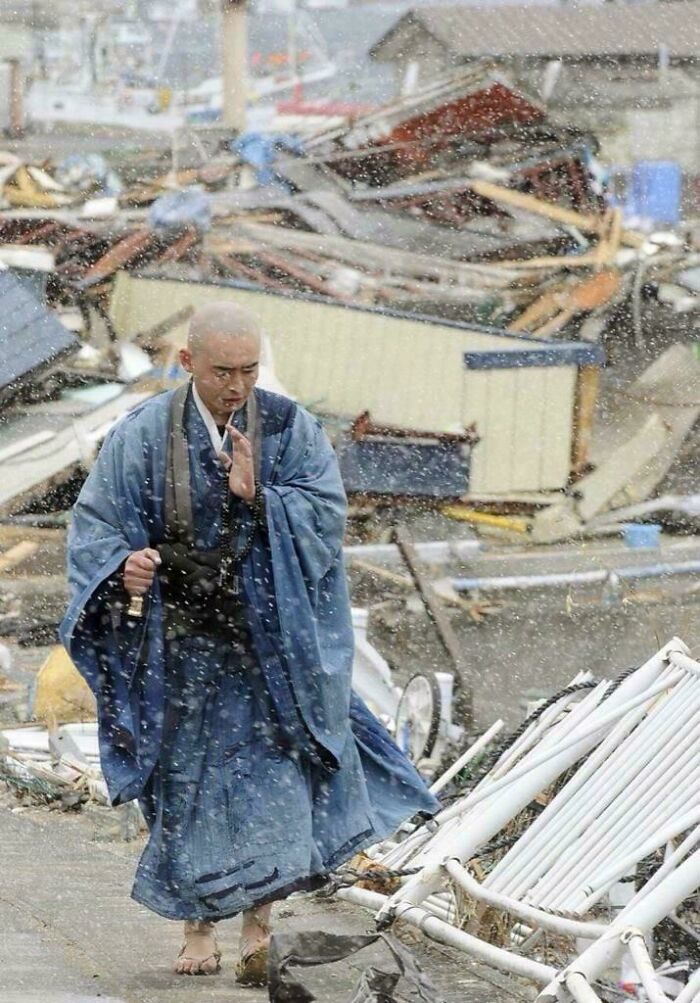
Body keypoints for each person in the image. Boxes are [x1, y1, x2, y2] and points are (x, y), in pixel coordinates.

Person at [60, 302, 439, 984]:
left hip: (270, 639)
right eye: (221, 372)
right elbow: (97, 525)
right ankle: (198, 922)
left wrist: (261, 493)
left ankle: (259, 923)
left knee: (276, 783)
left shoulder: (290, 429)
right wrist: (126, 563)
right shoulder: (144, 433)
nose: (236, 386)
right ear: (187, 363)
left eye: (249, 370)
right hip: (182, 639)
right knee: (187, 783)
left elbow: (326, 519)